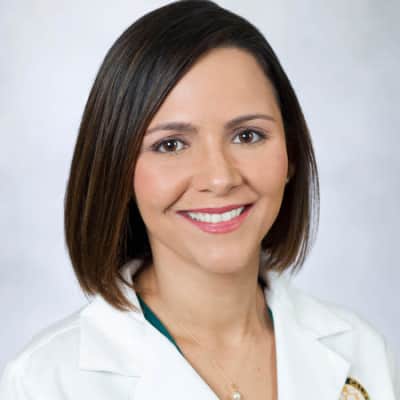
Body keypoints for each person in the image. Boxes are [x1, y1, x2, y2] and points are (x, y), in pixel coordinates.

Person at [0, 1, 398, 399]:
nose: (220, 178)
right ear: (117, 169)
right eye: (171, 144)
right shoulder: (45, 383)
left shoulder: (363, 353)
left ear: (290, 154)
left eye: (247, 136)